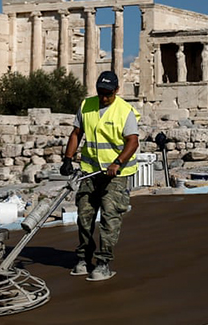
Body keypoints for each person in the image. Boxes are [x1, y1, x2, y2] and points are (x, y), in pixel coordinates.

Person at [60, 70, 140, 282]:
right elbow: (77, 133)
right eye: (101, 93)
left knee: (109, 216)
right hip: (91, 170)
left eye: (108, 94)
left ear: (116, 91)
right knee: (84, 215)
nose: (104, 98)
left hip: (116, 173)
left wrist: (118, 162)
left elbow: (133, 141)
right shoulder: (87, 106)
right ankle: (83, 258)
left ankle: (103, 261)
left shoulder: (125, 111)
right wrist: (68, 159)